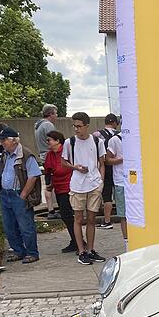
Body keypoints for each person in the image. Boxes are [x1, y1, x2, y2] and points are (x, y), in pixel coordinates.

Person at [62, 112, 107, 265]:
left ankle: (90, 249)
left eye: (79, 126)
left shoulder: (97, 141)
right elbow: (63, 162)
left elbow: (102, 163)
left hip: (94, 184)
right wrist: (76, 167)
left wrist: (101, 181)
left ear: (87, 126)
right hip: (77, 185)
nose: (76, 129)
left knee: (92, 218)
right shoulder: (70, 142)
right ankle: (81, 251)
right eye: (74, 126)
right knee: (78, 218)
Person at [0, 127, 42, 263]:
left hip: (18, 194)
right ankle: (18, 251)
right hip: (5, 194)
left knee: (26, 226)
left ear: (13, 141)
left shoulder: (26, 154)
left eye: (4, 140)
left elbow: (34, 176)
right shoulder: (5, 154)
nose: (2, 143)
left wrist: (23, 195)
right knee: (9, 226)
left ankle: (32, 253)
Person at [44, 130, 78, 253]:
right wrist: (49, 183)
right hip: (58, 187)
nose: (47, 142)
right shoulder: (50, 155)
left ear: (57, 141)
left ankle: (78, 241)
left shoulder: (66, 151)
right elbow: (47, 170)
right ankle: (75, 240)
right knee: (65, 216)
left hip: (68, 187)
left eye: (49, 140)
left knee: (68, 215)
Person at [104, 125, 128, 250]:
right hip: (121, 181)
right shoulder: (115, 140)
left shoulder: (137, 137)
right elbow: (107, 160)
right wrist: (121, 160)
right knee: (123, 215)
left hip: (137, 182)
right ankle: (127, 242)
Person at [34, 104, 60, 219]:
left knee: (48, 183)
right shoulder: (48, 125)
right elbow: (55, 142)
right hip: (51, 157)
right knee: (56, 183)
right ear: (50, 114)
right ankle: (57, 209)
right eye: (55, 113)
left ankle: (51, 209)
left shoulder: (38, 126)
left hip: (44, 158)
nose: (56, 116)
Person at [95, 114, 120, 230]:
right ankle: (124, 217)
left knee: (107, 195)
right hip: (118, 168)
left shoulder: (97, 135)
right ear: (115, 123)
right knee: (120, 193)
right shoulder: (120, 135)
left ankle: (107, 220)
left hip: (104, 167)